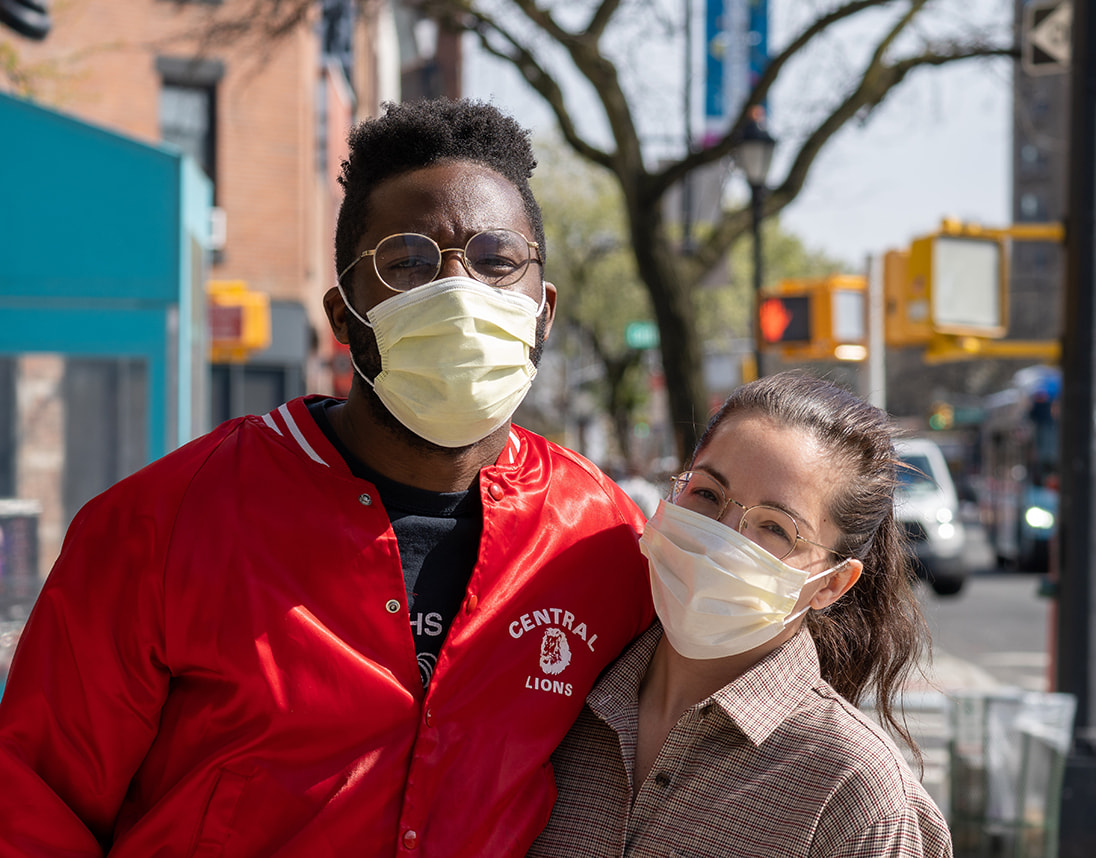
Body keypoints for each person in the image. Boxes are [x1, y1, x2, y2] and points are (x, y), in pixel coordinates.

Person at [0, 98, 654, 857]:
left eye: (496, 260)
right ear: (344, 318)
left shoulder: (603, 538)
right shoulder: (165, 521)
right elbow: (31, 798)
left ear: (542, 311)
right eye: (407, 262)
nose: (459, 293)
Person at [529, 371, 952, 858]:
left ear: (832, 584)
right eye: (707, 494)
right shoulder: (557, 700)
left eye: (775, 527)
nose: (722, 538)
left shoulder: (853, 792)